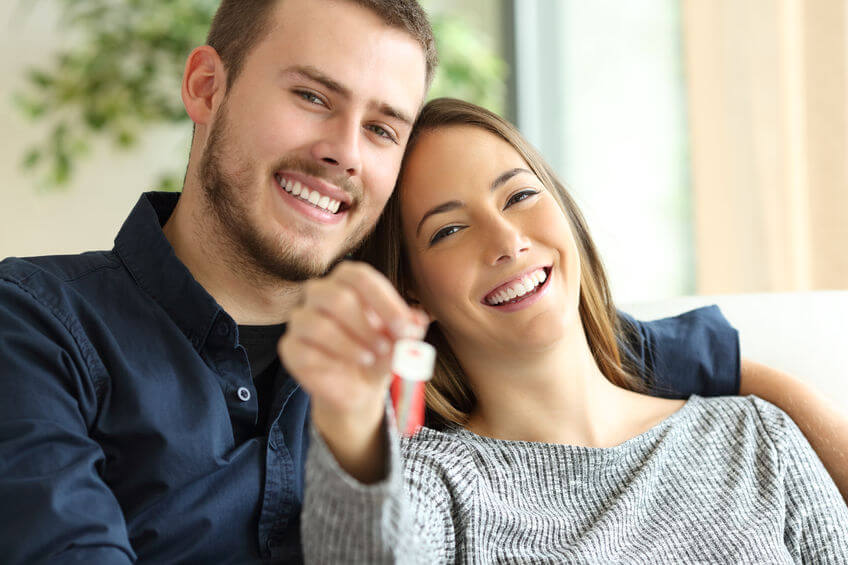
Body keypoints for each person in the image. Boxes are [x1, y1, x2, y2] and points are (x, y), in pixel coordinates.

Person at [0, 0, 841, 563]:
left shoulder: (407, 340)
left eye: (382, 126)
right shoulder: (39, 323)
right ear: (206, 87)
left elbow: (587, 342)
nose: (343, 149)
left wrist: (774, 396)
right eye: (311, 96)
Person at [288, 98, 848, 563]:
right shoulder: (428, 486)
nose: (506, 240)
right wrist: (351, 421)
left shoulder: (757, 438)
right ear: (412, 291)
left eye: (520, 196)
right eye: (450, 229)